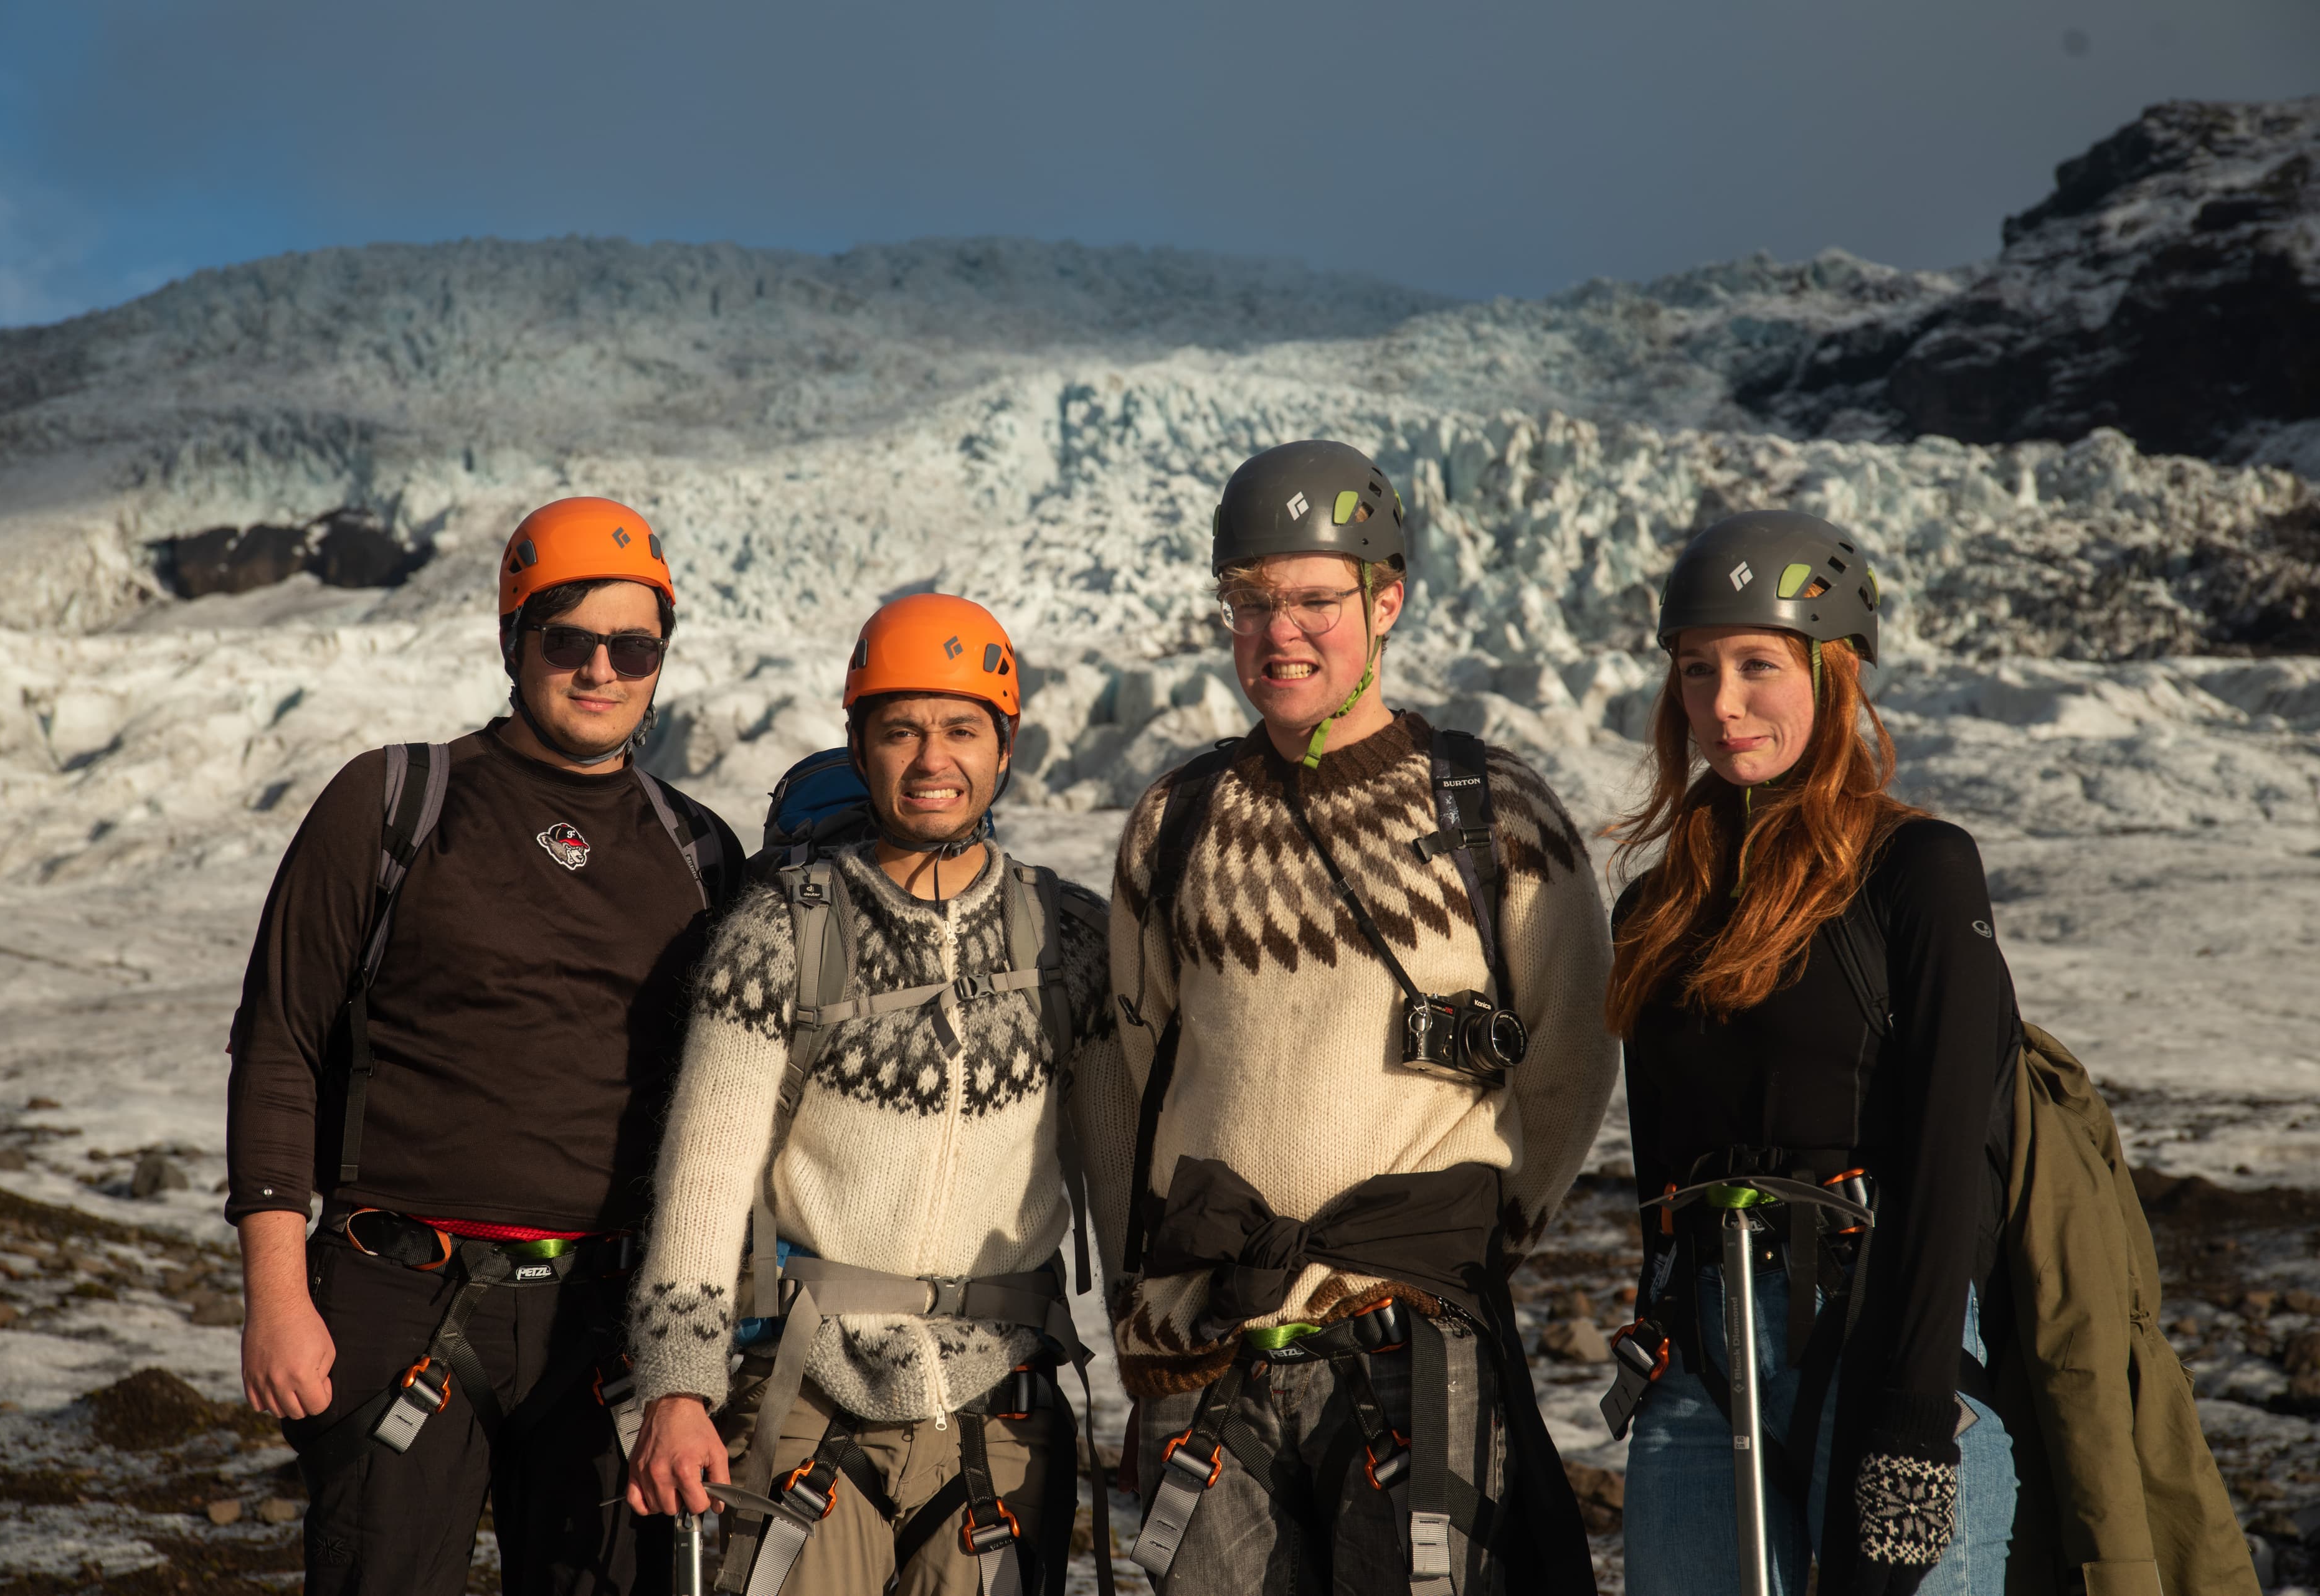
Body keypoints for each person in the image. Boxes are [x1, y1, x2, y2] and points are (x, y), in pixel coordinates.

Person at [1103, 439, 1617, 1594]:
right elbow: (1143, 1070)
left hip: (1415, 1339)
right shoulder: (1176, 822)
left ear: (1386, 602)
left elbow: (1571, 1064)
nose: (1278, 632)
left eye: (1313, 601)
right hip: (1214, 1342)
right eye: (1250, 602)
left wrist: (1465, 1245)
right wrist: (1150, 1312)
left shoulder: (1499, 816)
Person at [226, 496, 741, 1596]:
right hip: (396, 1303)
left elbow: (730, 1110)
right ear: (513, 641)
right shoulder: (394, 803)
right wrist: (276, 1292)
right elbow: (279, 1044)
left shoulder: (699, 852)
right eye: (568, 640)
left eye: (634, 648)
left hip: (605, 1329)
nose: (601, 670)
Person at [624, 593, 1123, 1596]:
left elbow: (1119, 1184)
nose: (933, 759)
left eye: (961, 730)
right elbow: (706, 1180)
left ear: (1006, 746)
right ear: (859, 746)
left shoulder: (1070, 939)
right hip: (807, 1393)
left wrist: (1162, 1373)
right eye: (901, 731)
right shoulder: (780, 931)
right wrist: (678, 1387)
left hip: (1001, 1403)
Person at [1603, 510, 2021, 1595]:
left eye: (1759, 665)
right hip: (1703, 1363)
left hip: (1882, 1338)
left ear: (1834, 676)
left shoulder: (1918, 870)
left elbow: (1948, 1160)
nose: (1722, 704)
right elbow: (1659, 1172)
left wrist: (1918, 1415)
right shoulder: (1656, 907)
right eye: (1698, 669)